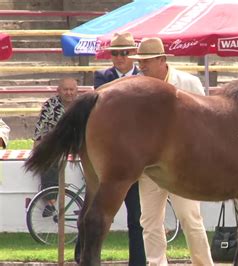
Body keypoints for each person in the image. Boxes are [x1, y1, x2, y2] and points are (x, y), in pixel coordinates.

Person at [128, 37, 213, 266]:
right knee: (149, 222)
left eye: (146, 60)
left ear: (162, 60)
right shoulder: (135, 87)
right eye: (140, 60)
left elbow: (205, 123)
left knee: (190, 218)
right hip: (150, 168)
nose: (142, 65)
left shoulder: (189, 83)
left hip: (183, 167)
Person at [74, 32, 146, 266]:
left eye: (124, 53)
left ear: (132, 54)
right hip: (109, 151)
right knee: (92, 206)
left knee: (136, 215)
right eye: (115, 53)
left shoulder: (143, 78)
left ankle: (138, 261)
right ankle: (82, 255)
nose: (119, 58)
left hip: (136, 154)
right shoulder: (102, 77)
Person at [33, 77, 78, 217]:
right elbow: (40, 128)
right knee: (49, 159)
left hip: (79, 142)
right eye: (65, 89)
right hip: (56, 143)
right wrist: (37, 146)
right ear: (59, 90)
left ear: (76, 91)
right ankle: (50, 203)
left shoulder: (82, 104)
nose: (69, 93)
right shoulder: (50, 105)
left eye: (72, 90)